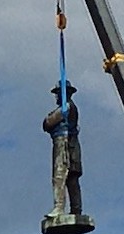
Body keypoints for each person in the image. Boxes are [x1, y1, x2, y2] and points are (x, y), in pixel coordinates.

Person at [42, 81, 83, 217]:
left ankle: (59, 207)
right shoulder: (69, 107)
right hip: (70, 144)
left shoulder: (66, 107)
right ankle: (76, 209)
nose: (57, 97)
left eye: (58, 94)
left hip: (63, 144)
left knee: (60, 176)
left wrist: (48, 121)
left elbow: (48, 122)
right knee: (71, 179)